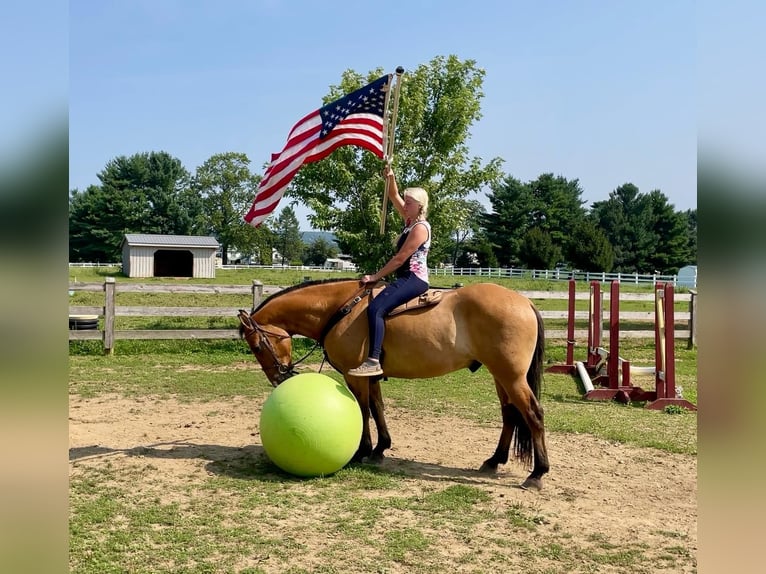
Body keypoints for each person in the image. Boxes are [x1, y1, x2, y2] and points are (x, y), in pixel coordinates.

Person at [347, 165, 431, 377]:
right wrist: (391, 176)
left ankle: (374, 360)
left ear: (419, 206)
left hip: (414, 278)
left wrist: (375, 277)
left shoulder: (420, 228)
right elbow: (392, 194)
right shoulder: (409, 222)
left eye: (408, 203)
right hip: (406, 276)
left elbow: (401, 258)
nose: (405, 206)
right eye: (405, 202)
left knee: (376, 308)